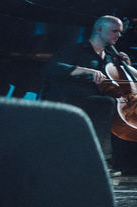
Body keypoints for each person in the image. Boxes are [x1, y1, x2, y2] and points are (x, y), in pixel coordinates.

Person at [43, 15, 127, 167]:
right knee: (107, 103)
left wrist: (126, 66)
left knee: (113, 105)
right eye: (115, 31)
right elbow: (52, 68)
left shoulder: (110, 58)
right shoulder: (76, 50)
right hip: (70, 99)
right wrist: (83, 70)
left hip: (94, 102)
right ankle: (103, 159)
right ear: (99, 29)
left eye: (120, 32)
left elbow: (119, 84)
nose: (119, 35)